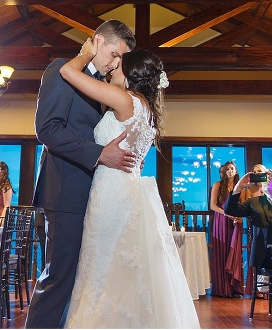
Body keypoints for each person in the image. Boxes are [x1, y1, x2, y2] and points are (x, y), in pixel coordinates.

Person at [59, 38, 200, 328]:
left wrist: (86, 53)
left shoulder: (125, 99)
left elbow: (67, 72)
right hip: (125, 187)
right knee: (113, 267)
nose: (112, 67)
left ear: (130, 73)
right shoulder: (145, 108)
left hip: (111, 193)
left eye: (118, 64)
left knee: (101, 267)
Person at [26, 19, 137, 329]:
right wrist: (99, 154)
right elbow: (47, 130)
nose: (115, 64)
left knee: (78, 278)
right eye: (114, 54)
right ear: (98, 40)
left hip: (90, 194)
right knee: (59, 277)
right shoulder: (62, 70)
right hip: (64, 191)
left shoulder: (99, 84)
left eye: (121, 60)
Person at [209, 161, 244, 297]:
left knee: (234, 253)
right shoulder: (218, 185)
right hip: (222, 220)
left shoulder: (240, 187)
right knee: (222, 252)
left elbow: (244, 205)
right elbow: (212, 205)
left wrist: (240, 217)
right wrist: (226, 213)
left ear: (236, 171)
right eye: (227, 169)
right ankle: (222, 289)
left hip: (235, 222)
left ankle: (234, 288)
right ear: (224, 172)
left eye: (232, 168)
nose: (230, 171)